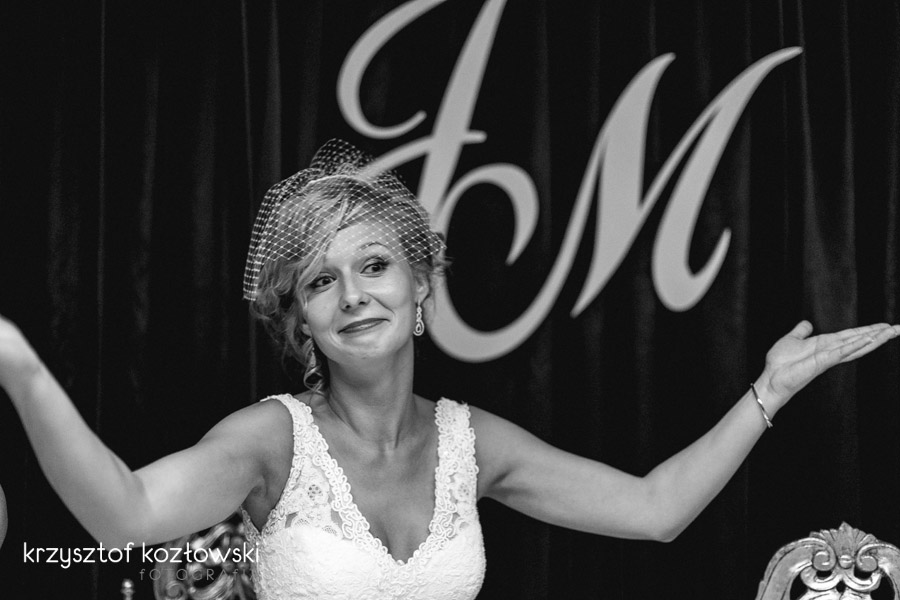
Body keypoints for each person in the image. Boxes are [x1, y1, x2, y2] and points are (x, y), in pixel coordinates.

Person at [1, 139, 898, 600]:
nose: (354, 295)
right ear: (300, 319)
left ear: (421, 286)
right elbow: (122, 515)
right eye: (321, 280)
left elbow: (655, 511)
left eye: (375, 265)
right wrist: (23, 369)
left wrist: (770, 390)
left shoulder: (473, 443)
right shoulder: (271, 440)